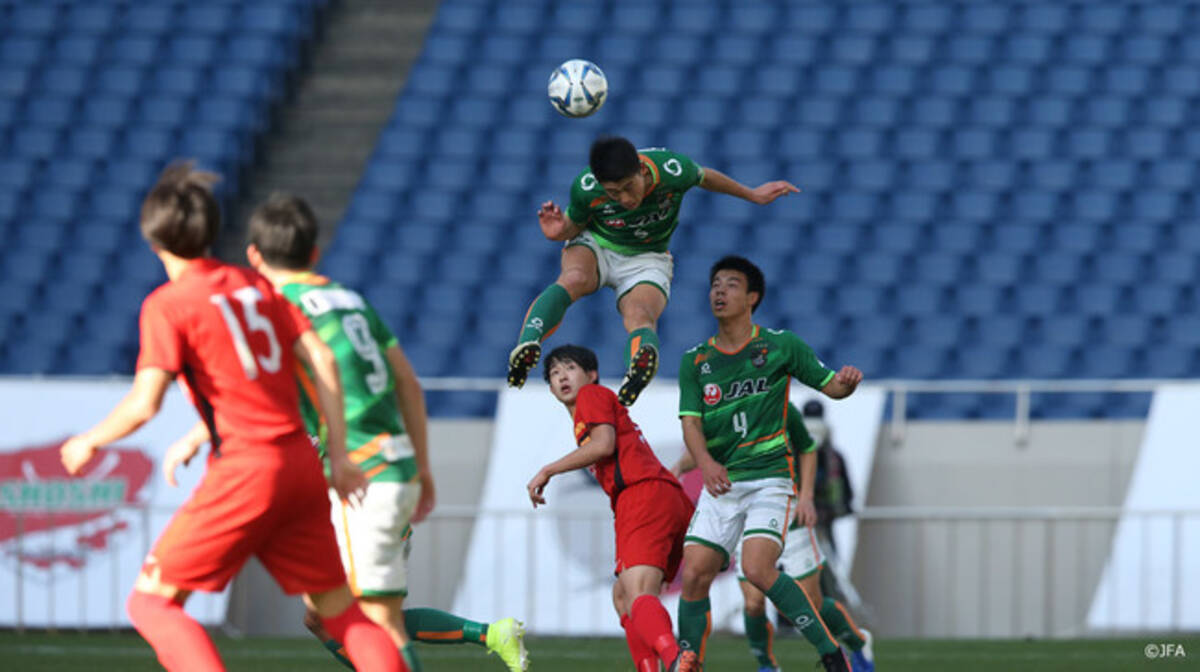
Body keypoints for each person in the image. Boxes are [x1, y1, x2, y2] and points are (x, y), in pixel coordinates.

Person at [58, 163, 405, 672]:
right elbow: (323, 359)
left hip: (247, 468)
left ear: (153, 238)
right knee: (342, 614)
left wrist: (89, 440)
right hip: (301, 465)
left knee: (150, 603)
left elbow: (145, 403)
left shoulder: (168, 304)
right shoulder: (254, 286)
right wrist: (339, 452)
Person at [170, 194, 529, 671]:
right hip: (385, 468)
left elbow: (259, 388)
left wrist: (201, 434)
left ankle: (484, 634)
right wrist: (420, 466)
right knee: (329, 619)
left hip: (364, 474)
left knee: (375, 618)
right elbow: (407, 382)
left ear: (254, 256)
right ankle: (487, 633)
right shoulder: (351, 301)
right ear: (315, 254)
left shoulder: (280, 307)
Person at [507, 136, 800, 406]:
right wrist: (558, 231)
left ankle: (639, 365)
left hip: (648, 256)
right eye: (613, 193)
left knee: (640, 316)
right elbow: (572, 226)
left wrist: (752, 194)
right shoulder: (586, 187)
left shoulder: (671, 169)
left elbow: (705, 177)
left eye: (628, 187)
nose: (623, 198)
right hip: (597, 243)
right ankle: (526, 344)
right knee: (573, 278)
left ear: (642, 172)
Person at [674, 255, 863, 672]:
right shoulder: (696, 361)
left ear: (752, 297)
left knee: (759, 570)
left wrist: (845, 387)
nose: (719, 291)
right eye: (715, 284)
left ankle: (831, 653)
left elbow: (830, 386)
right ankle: (687, 662)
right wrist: (703, 463)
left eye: (731, 285)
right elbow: (691, 423)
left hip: (768, 481)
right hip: (722, 483)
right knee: (694, 574)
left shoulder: (781, 346)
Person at [526, 345, 698, 672]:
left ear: (591, 375)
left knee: (637, 592)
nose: (561, 376)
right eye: (554, 373)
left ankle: (676, 659)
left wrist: (548, 469)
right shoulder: (587, 414)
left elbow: (603, 445)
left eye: (570, 368)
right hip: (661, 498)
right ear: (549, 388)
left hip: (642, 495)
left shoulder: (592, 396)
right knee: (623, 595)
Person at [673, 401, 875, 672]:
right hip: (751, 517)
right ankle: (767, 665)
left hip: (791, 518)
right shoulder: (730, 406)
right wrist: (677, 468)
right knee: (754, 602)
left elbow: (807, 448)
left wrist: (806, 498)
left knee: (811, 602)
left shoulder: (777, 405)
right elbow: (708, 449)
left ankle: (858, 641)